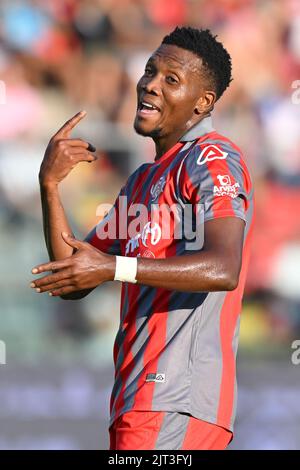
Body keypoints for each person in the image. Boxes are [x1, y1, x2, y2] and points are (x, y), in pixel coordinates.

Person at [31, 27, 254, 450]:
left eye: (171, 79)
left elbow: (224, 267)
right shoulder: (143, 180)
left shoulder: (212, 157)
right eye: (150, 71)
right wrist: (50, 186)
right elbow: (74, 277)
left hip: (176, 400)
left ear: (203, 103)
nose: (150, 84)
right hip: (139, 400)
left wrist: (114, 267)